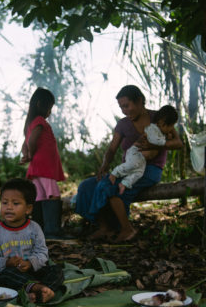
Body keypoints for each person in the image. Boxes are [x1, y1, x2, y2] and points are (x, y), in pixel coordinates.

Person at [75, 86, 183, 242]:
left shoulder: (159, 118)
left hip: (149, 170)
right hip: (128, 168)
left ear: (139, 101)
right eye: (121, 107)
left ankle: (126, 229)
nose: (124, 111)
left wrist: (155, 146)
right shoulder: (123, 124)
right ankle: (104, 227)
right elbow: (112, 149)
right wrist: (104, 166)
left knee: (110, 187)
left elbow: (178, 143)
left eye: (126, 106)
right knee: (87, 186)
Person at [0, 178, 64, 303]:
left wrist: (31, 263)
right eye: (4, 203)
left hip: (33, 271)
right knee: (3, 277)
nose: (9, 207)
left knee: (56, 270)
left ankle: (40, 291)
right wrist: (7, 262)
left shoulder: (34, 228)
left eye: (15, 204)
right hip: (12, 274)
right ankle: (40, 290)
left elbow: (42, 254)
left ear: (28, 209)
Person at [20, 88, 66, 238]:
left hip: (36, 166)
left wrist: (26, 155)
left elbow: (25, 143)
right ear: (40, 105)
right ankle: (52, 230)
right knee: (53, 195)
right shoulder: (40, 122)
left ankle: (40, 230)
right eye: (49, 108)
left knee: (40, 196)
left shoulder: (29, 124)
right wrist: (31, 153)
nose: (50, 112)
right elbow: (32, 140)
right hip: (45, 165)